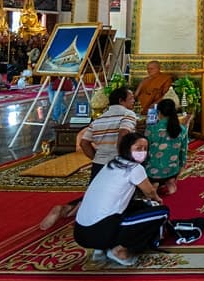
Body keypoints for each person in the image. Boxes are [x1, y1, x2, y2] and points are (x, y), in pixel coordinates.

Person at [39, 87, 137, 230]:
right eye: (131, 98)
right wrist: (122, 157)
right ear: (121, 101)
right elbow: (123, 133)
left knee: (96, 193)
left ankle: (66, 208)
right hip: (116, 162)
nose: (134, 101)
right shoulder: (128, 115)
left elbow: (84, 142)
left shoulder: (101, 118)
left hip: (99, 163)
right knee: (115, 196)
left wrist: (95, 157)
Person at [73, 132, 169, 266]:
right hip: (99, 232)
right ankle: (118, 249)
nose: (142, 152)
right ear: (127, 148)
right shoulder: (135, 168)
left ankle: (100, 249)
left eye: (145, 149)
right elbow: (151, 192)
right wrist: (157, 200)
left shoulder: (111, 164)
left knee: (138, 205)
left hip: (80, 232)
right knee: (161, 211)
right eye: (138, 148)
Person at [145, 98, 190, 196]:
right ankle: (169, 181)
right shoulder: (181, 129)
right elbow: (184, 150)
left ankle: (155, 183)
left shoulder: (152, 128)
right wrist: (182, 166)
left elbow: (146, 148)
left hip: (153, 171)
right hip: (173, 169)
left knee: (153, 175)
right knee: (168, 172)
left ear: (159, 113)